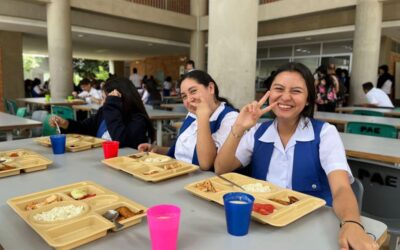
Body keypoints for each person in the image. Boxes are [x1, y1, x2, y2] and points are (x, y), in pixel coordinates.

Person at [214, 62, 378, 250]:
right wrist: (239, 128)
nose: (285, 97)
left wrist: (352, 223)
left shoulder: (325, 133)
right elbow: (221, 169)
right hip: (262, 226)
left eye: (296, 91)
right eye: (278, 89)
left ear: (308, 99)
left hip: (310, 229)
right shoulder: (257, 131)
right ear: (269, 94)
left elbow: (341, 188)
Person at [138, 70, 238, 171]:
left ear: (211, 88)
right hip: (175, 172)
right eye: (184, 96)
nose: (189, 99)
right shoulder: (192, 114)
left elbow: (206, 164)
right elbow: (185, 153)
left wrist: (202, 117)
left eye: (193, 91)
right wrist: (158, 149)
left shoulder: (230, 118)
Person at [50, 77, 155, 149]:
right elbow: (85, 128)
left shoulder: (137, 120)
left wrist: (112, 106)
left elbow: (121, 142)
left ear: (120, 99)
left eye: (106, 98)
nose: (103, 102)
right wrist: (65, 124)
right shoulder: (104, 113)